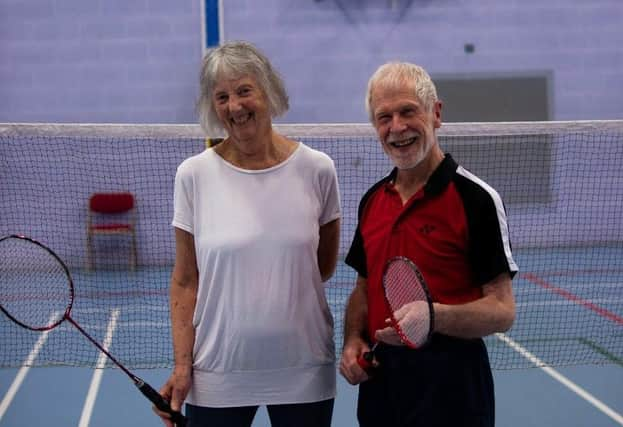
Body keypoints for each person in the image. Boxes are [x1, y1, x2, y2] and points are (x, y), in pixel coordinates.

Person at [154, 40, 341, 427]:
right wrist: (182, 367)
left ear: (268, 92)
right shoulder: (193, 175)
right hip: (217, 374)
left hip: (304, 372)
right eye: (221, 96)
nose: (234, 107)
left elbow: (321, 267)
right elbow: (185, 282)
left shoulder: (318, 169)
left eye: (244, 91)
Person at [339, 62, 518, 427]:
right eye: (383, 117)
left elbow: (502, 311)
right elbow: (362, 288)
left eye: (408, 111)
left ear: (435, 114)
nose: (397, 127)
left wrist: (433, 317)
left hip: (454, 391)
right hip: (382, 387)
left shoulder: (477, 199)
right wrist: (353, 340)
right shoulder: (372, 201)